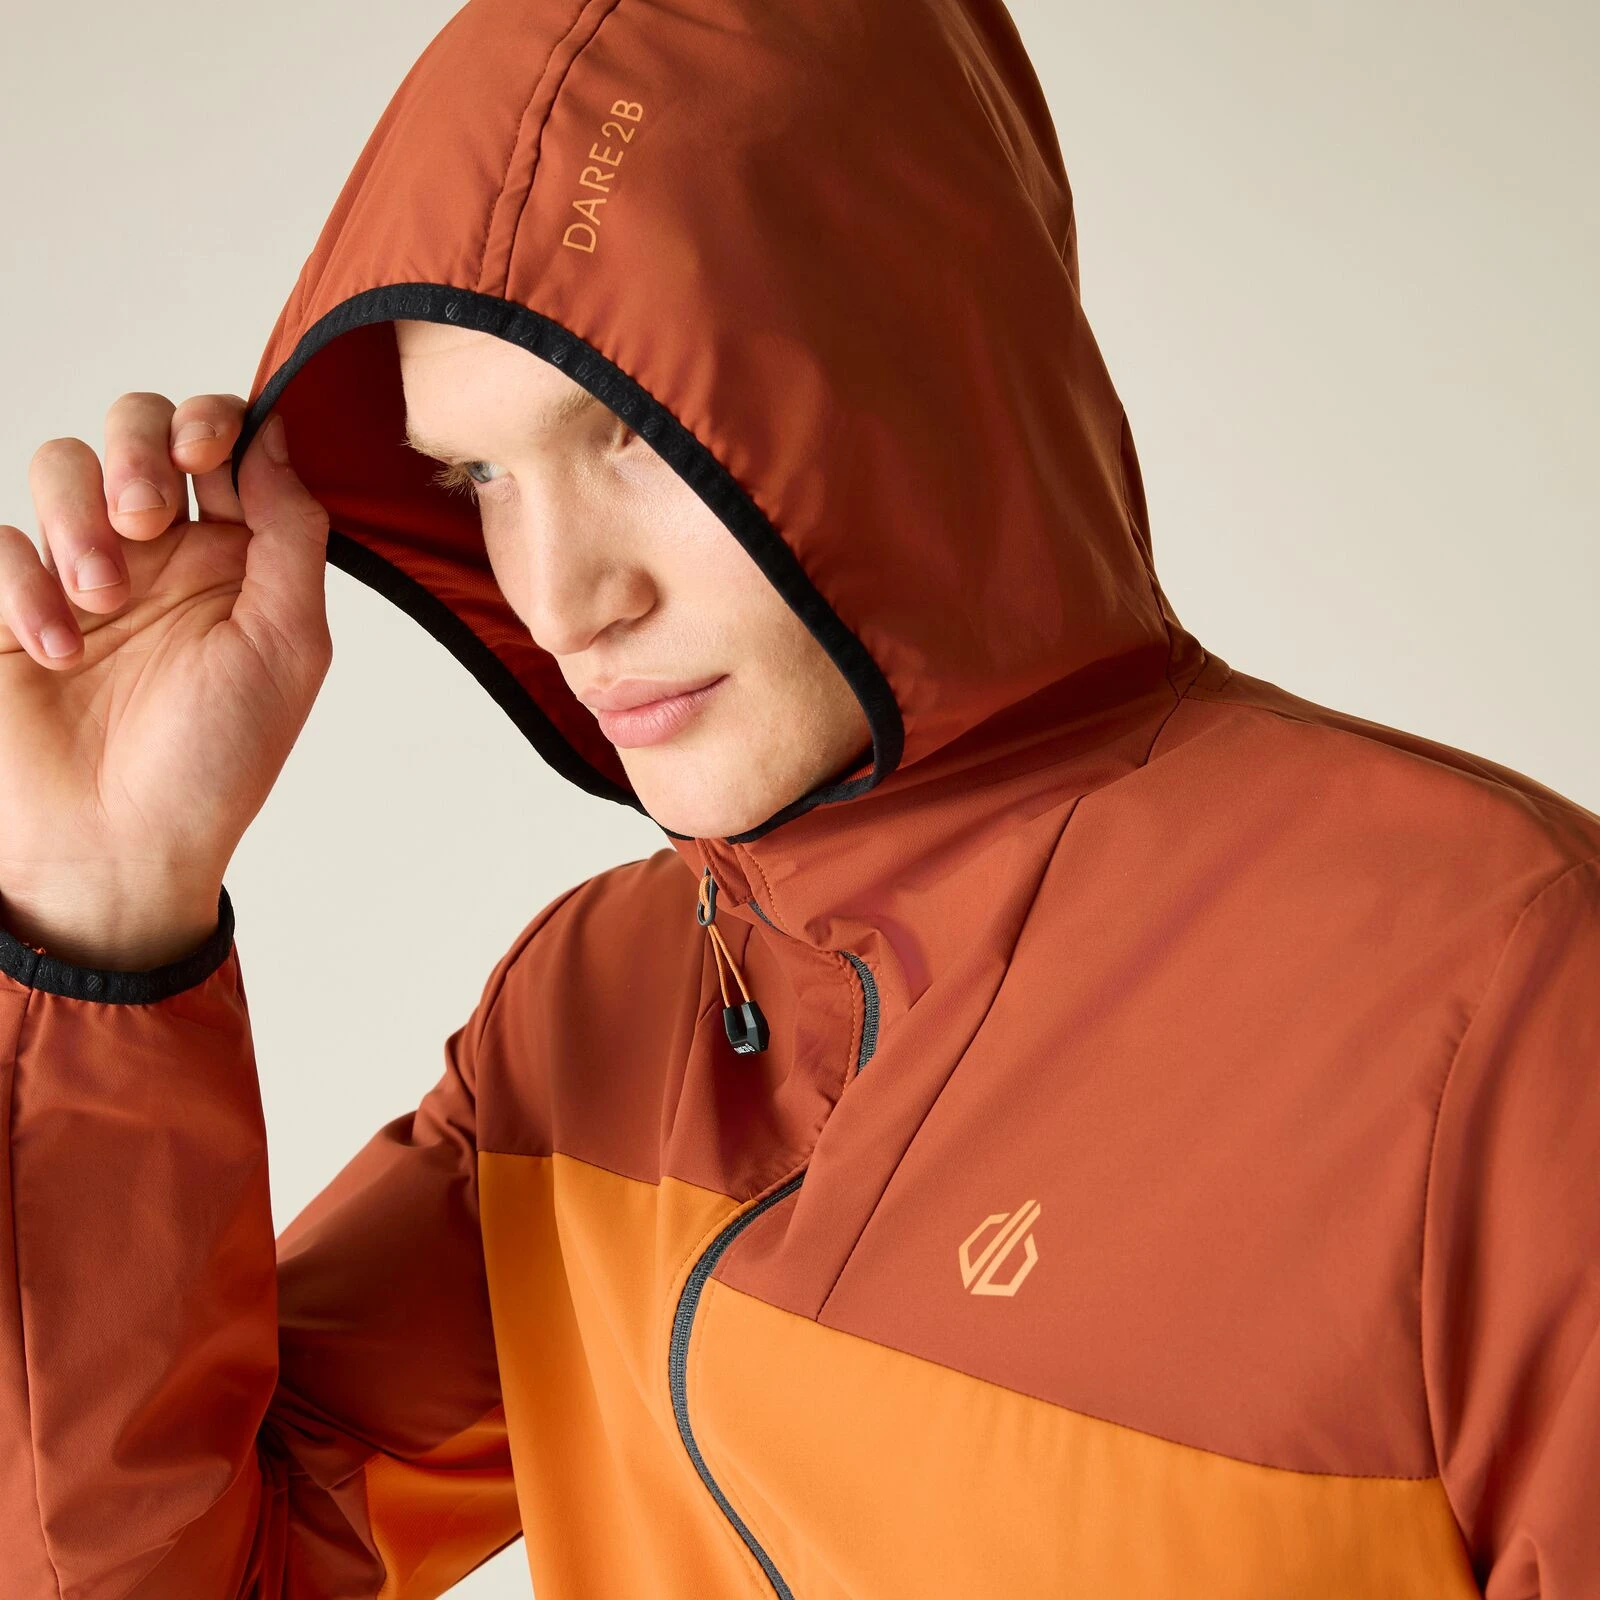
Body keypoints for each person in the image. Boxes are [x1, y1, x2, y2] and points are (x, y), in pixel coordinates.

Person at [0, 0, 1595, 1595]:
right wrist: (100, 903)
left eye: (629, 430)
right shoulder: (587, 1021)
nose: (561, 598)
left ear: (913, 360)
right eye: (476, 477)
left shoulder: (1495, 987)